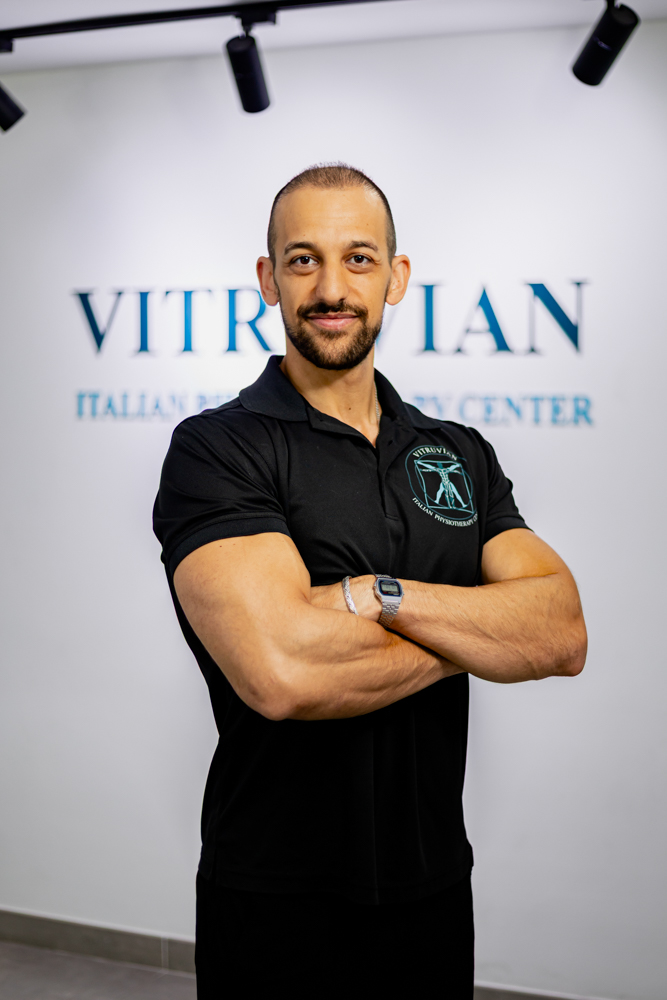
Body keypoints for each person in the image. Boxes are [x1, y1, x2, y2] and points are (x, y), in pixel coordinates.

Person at [153, 163, 587, 999]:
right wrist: (482, 636)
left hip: (433, 888)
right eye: (302, 260)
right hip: (273, 897)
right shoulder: (218, 449)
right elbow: (281, 673)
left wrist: (375, 595)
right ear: (268, 279)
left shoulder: (455, 452)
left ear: (396, 277)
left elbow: (560, 632)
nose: (330, 288)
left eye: (357, 258)